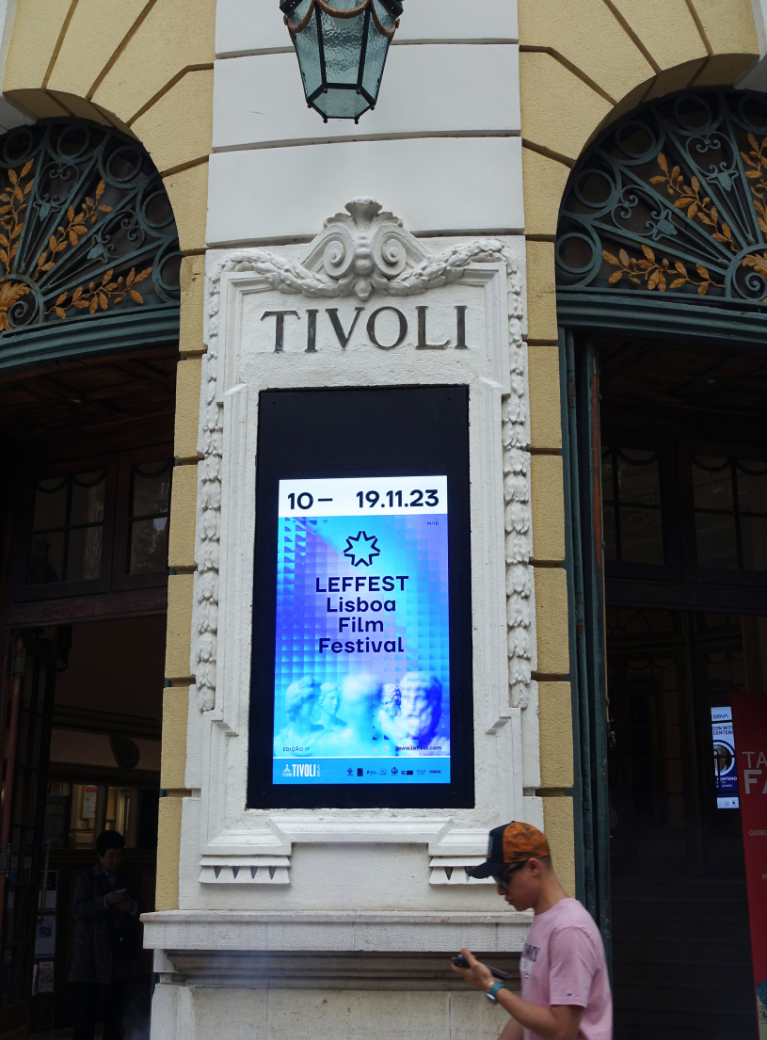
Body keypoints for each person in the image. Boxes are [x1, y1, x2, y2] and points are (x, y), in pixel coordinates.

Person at [452, 821, 612, 1040]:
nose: (500, 891)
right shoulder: (546, 920)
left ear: (534, 867)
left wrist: (492, 987)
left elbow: (561, 1031)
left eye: (503, 879)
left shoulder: (569, 929)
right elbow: (532, 1009)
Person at [70, 829, 143, 1040]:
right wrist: (105, 901)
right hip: (90, 952)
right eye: (111, 856)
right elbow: (78, 911)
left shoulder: (127, 878)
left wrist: (130, 906)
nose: (115, 861)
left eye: (119, 855)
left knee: (115, 1011)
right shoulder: (86, 879)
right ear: (100, 856)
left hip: (118, 951)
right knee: (85, 1010)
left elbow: (142, 909)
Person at [394, 672, 449, 756]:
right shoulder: (390, 750)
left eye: (420, 698)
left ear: (435, 706)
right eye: (406, 697)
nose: (412, 706)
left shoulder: (447, 751)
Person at [274, 676, 324, 755]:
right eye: (311, 703)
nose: (316, 708)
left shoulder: (329, 739)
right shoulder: (277, 744)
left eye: (316, 702)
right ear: (295, 704)